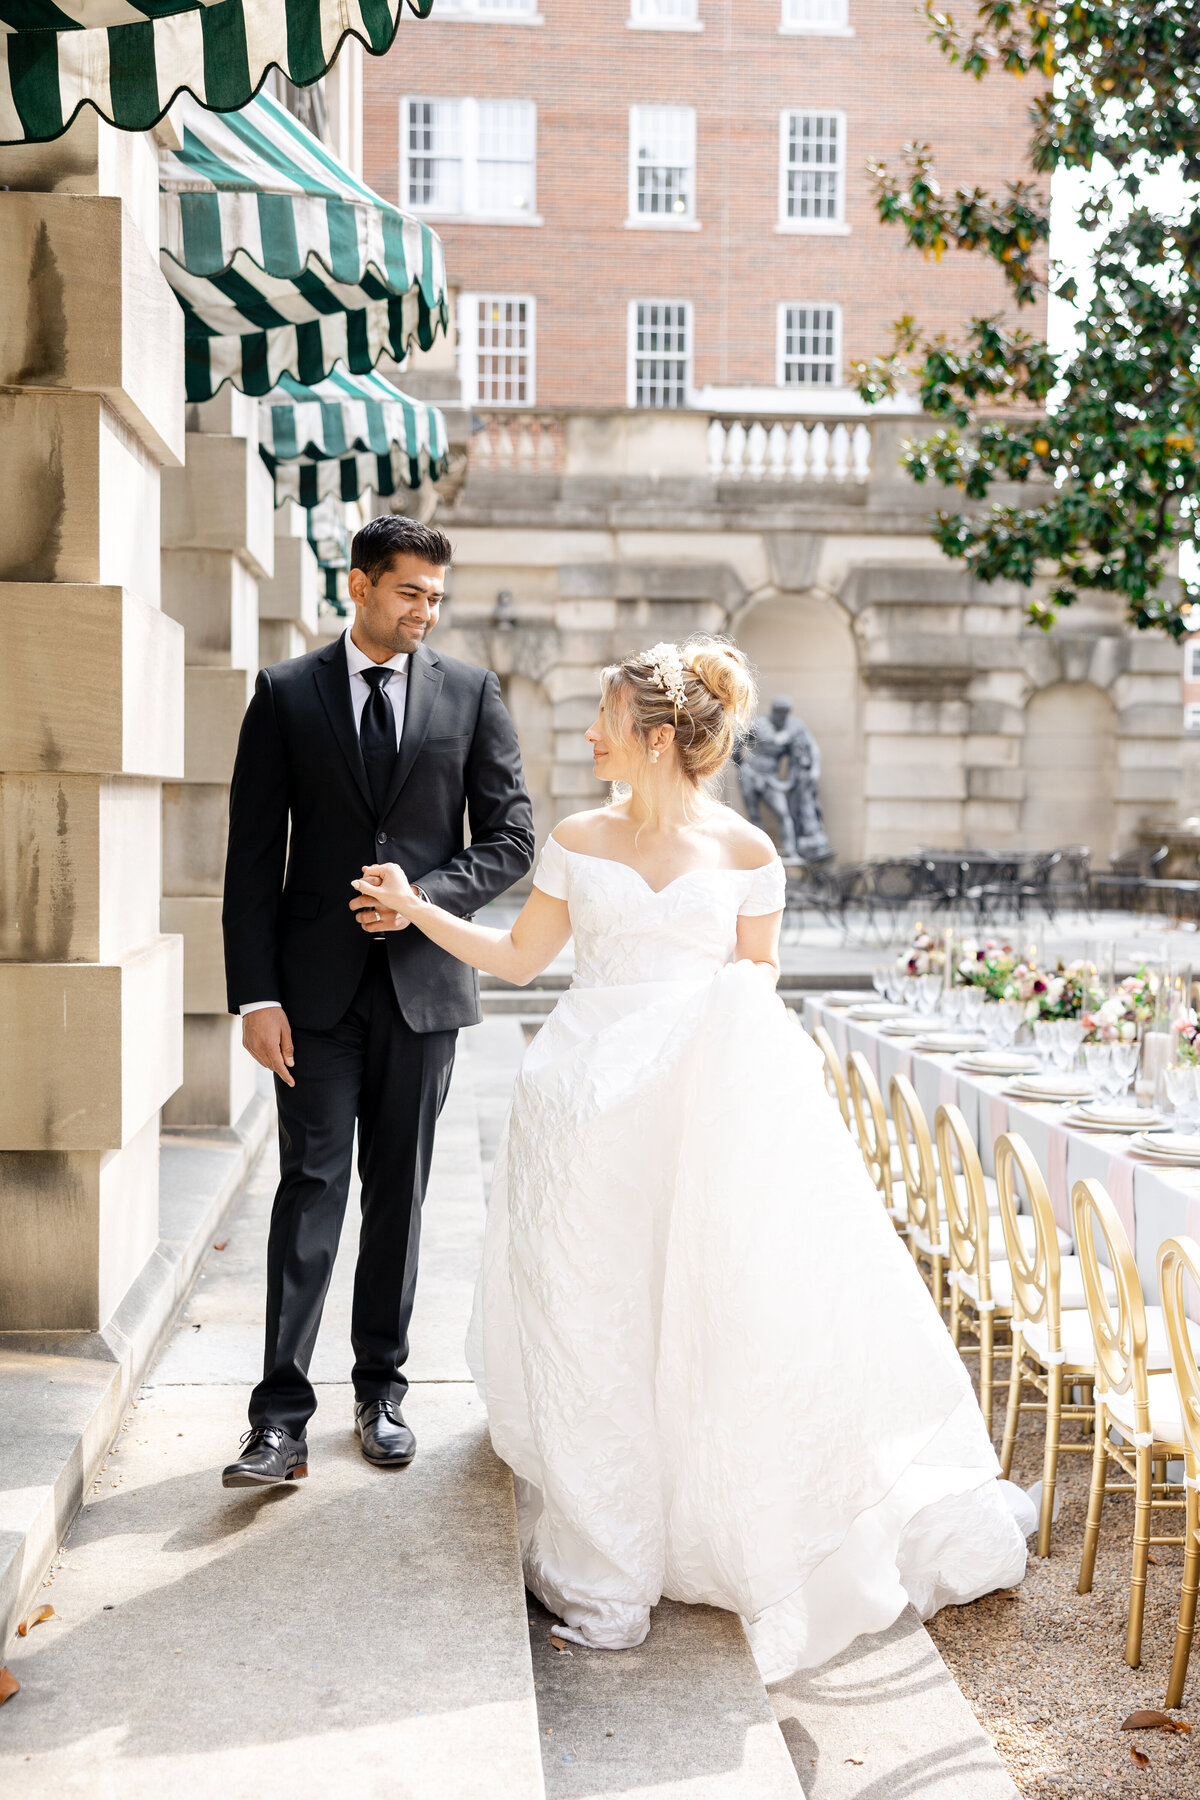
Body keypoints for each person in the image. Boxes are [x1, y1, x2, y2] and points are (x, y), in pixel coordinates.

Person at [350, 637, 1026, 1681]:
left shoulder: (753, 855)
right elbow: (522, 958)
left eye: (605, 720)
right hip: (585, 1115)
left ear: (656, 738)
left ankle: (705, 1524)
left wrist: (712, 1062)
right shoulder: (576, 836)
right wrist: (417, 909)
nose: (586, 735)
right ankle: (615, 1549)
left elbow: (755, 984)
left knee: (701, 1312)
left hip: (697, 1114)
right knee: (595, 1318)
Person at [220, 516, 534, 1488]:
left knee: (400, 1197)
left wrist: (423, 899)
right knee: (310, 1191)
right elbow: (249, 860)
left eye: (436, 598)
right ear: (358, 585)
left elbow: (513, 838)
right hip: (310, 1002)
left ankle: (381, 1393)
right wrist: (255, 996)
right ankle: (277, 1421)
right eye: (409, 593)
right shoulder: (283, 695)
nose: (425, 613)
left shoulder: (472, 693)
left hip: (423, 996)